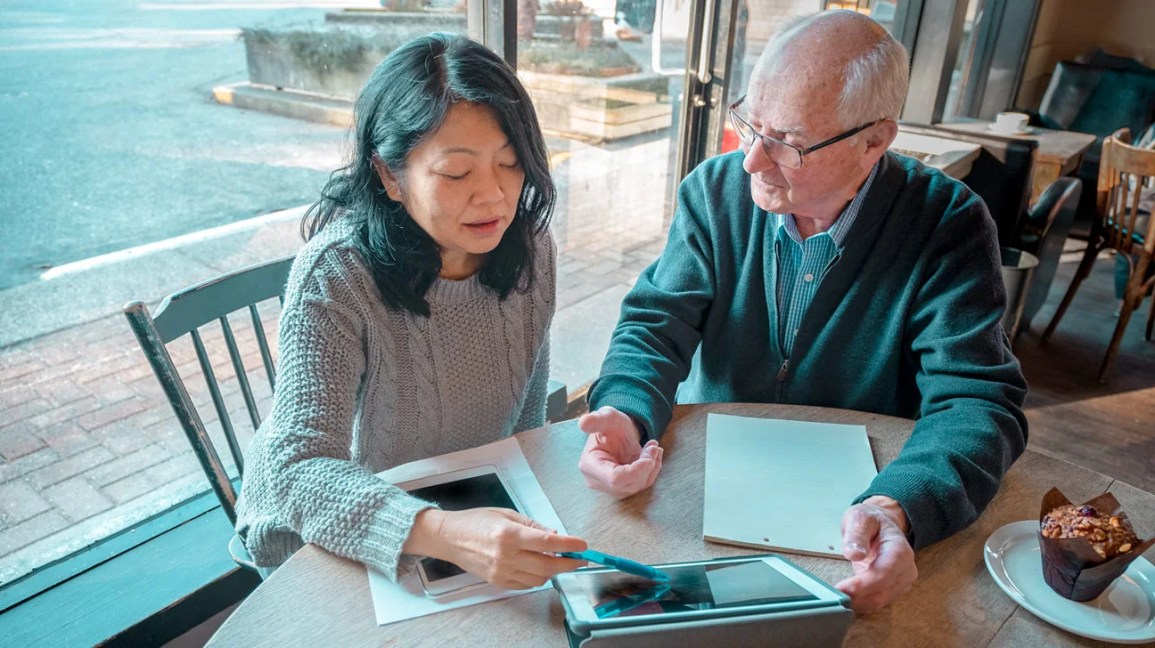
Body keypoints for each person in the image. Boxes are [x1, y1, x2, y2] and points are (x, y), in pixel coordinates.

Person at [578, 10, 1028, 613]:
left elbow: (977, 400)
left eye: (786, 142)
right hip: (711, 479)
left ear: (875, 141)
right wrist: (626, 414)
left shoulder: (948, 223)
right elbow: (655, 325)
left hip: (858, 507)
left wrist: (900, 506)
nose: (750, 161)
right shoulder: (715, 193)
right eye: (748, 123)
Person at [236, 33, 587, 589]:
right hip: (332, 527)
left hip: (462, 501)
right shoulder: (336, 274)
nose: (495, 196)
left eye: (511, 163)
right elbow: (294, 473)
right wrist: (443, 532)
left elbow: (522, 417)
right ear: (389, 175)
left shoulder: (531, 247)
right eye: (456, 173)